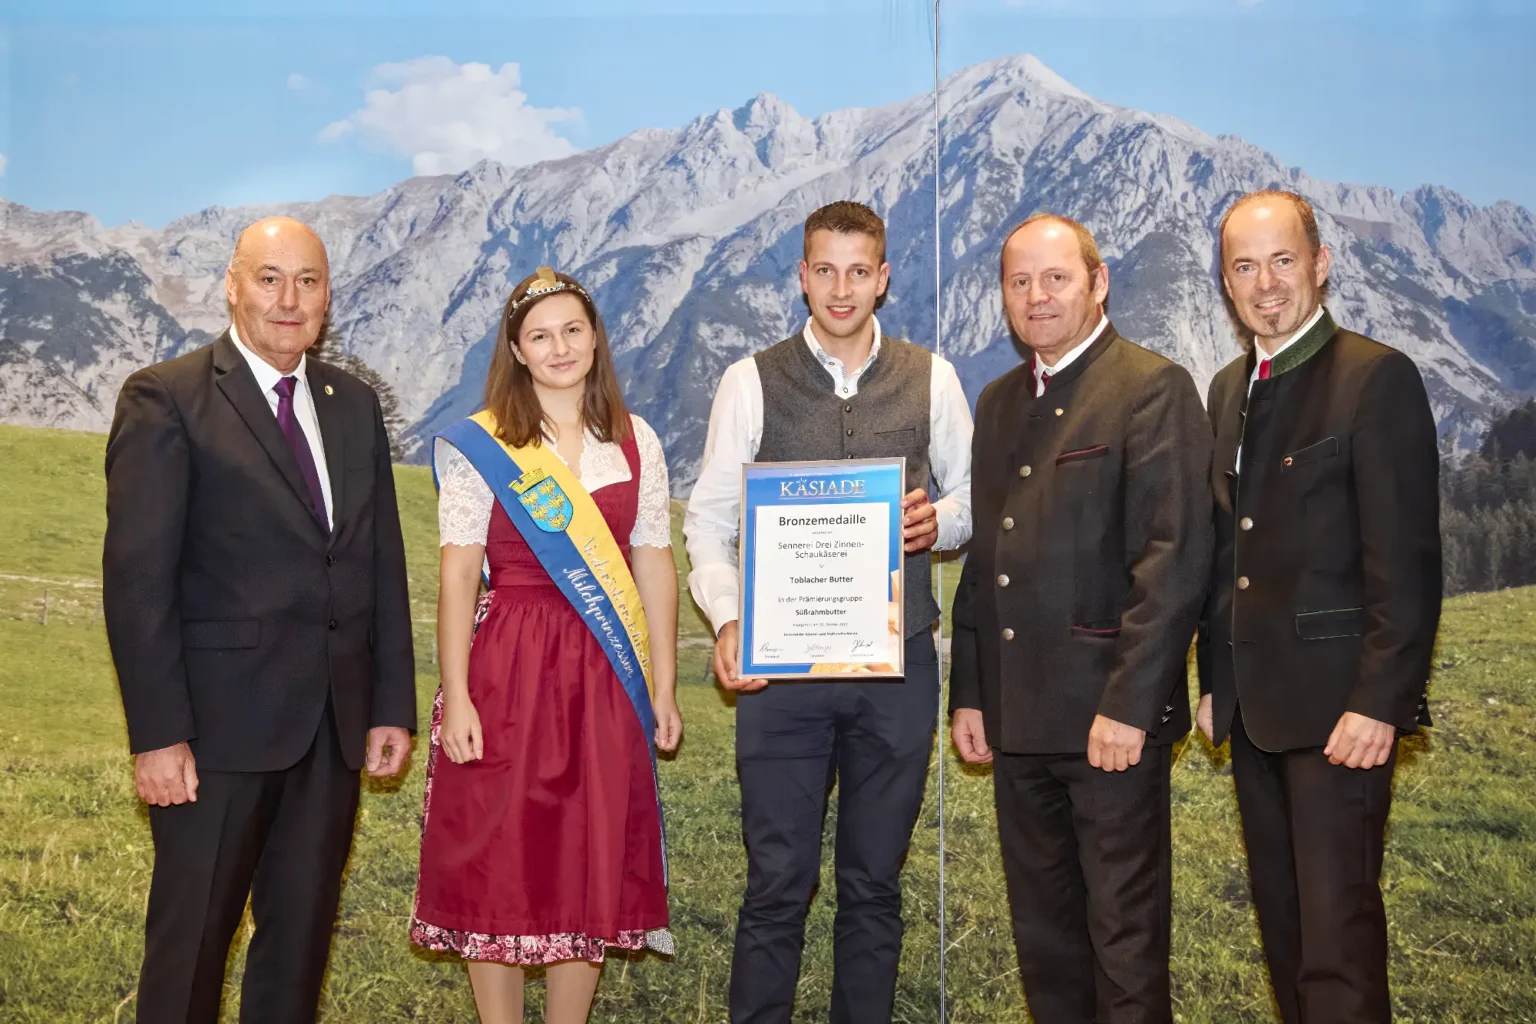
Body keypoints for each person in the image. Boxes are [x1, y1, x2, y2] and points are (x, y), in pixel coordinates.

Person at [102, 216, 417, 1024]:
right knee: (190, 954)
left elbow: (378, 560)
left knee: (297, 954)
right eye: (269, 278)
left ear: (327, 296)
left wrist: (390, 705)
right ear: (232, 286)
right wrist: (158, 735)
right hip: (213, 738)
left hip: (330, 733)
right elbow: (137, 582)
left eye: (308, 281)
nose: (289, 299)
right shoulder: (166, 397)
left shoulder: (353, 405)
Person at [684, 200, 973, 1024]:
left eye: (858, 271)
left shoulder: (933, 377)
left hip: (899, 667)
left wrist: (939, 521)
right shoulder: (749, 380)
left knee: (874, 885)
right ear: (802, 278)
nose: (841, 289)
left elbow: (973, 496)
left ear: (883, 279)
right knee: (776, 884)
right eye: (824, 270)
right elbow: (707, 521)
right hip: (782, 672)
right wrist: (730, 619)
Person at [949, 213, 1212, 1024]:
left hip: (1110, 724)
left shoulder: (1152, 387)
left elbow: (1173, 560)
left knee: (1123, 945)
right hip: (1017, 720)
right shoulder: (998, 402)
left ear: (1098, 283)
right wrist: (971, 692)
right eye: (1019, 282)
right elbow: (987, 560)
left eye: (1056, 278)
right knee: (1047, 944)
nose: (1037, 296)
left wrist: (1131, 706)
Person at [411, 267, 682, 1024]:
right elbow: (459, 571)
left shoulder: (636, 440)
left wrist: (663, 685)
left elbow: (654, 563)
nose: (559, 348)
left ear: (595, 338)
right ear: (516, 351)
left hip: (605, 669)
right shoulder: (484, 443)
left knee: (586, 853)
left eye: (572, 330)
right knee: (497, 851)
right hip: (509, 664)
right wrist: (457, 693)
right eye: (540, 336)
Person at [1196, 190, 1441, 1024]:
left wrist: (1380, 702)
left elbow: (1405, 563)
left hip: (1343, 718)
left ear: (1320, 264)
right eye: (1245, 266)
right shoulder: (1227, 389)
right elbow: (1226, 550)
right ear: (1227, 283)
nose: (1265, 284)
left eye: (1282, 261)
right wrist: (1214, 680)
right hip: (1253, 714)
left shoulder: (1376, 378)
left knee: (1338, 948)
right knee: (1287, 936)